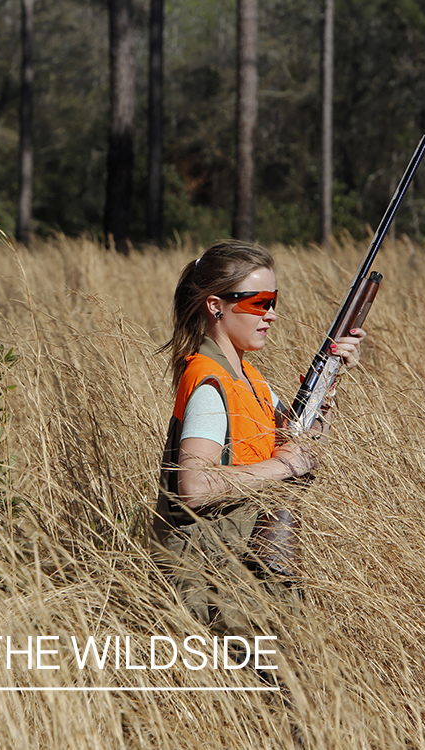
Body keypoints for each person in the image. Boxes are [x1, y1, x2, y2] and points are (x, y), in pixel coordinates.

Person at [152, 240, 363, 633]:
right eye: (259, 303)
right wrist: (283, 465)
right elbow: (195, 487)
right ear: (216, 306)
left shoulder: (250, 379)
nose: (272, 314)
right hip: (209, 583)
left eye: (273, 300)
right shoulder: (210, 383)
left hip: (240, 571)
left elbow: (304, 447)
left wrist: (329, 387)